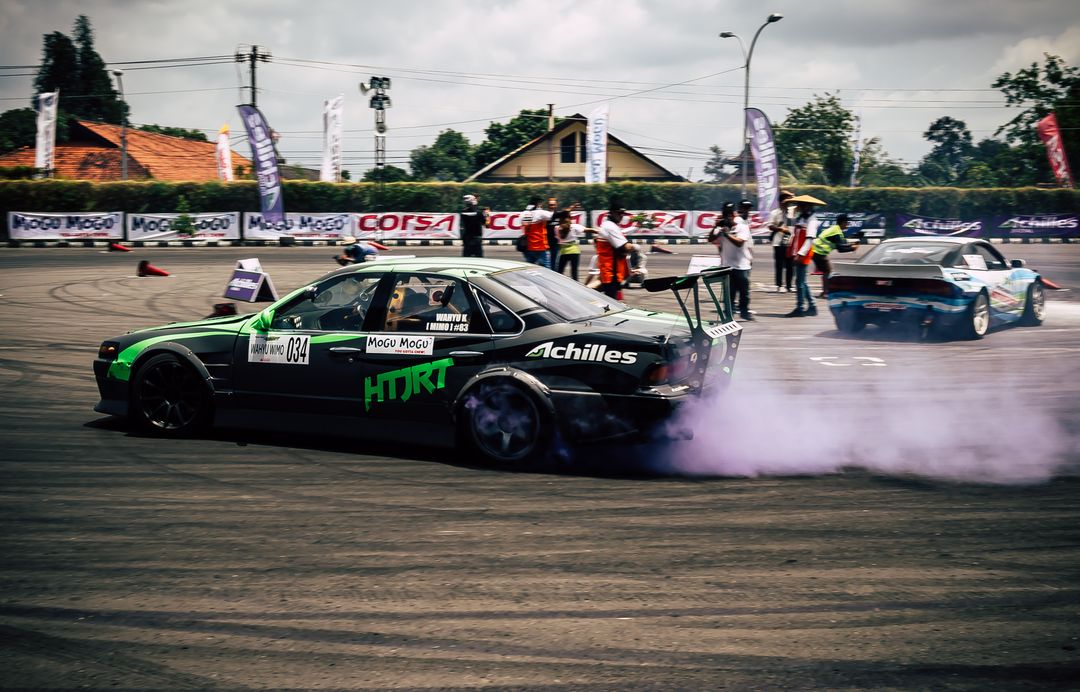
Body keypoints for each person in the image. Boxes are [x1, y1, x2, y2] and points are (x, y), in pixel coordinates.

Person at [784, 195, 826, 317]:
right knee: (802, 281)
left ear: (808, 206)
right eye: (799, 205)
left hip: (804, 253)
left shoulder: (812, 220)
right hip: (798, 252)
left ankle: (800, 308)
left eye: (802, 205)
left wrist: (800, 254)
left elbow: (809, 240)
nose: (800, 207)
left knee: (800, 282)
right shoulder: (801, 218)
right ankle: (812, 306)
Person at [712, 202, 753, 321]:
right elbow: (710, 238)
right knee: (728, 293)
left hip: (742, 265)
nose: (728, 217)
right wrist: (715, 227)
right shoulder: (721, 227)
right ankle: (728, 315)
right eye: (725, 214)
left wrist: (727, 234)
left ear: (734, 214)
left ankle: (744, 312)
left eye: (730, 214)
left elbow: (740, 243)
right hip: (727, 266)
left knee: (744, 293)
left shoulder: (742, 226)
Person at [811, 213, 860, 298]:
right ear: (843, 223)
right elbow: (840, 249)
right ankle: (825, 293)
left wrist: (851, 245)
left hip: (817, 251)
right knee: (827, 271)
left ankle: (825, 292)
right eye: (847, 223)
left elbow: (842, 243)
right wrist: (852, 248)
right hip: (818, 252)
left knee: (827, 271)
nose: (848, 225)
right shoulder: (836, 232)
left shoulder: (836, 230)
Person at [595, 204, 633, 299]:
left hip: (611, 271)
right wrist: (634, 247)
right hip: (611, 272)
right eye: (619, 213)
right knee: (612, 303)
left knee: (611, 300)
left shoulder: (610, 225)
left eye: (623, 213)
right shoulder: (610, 226)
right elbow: (626, 247)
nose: (621, 215)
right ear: (612, 212)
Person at [767, 190, 795, 293]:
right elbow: (770, 226)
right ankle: (779, 285)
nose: (788, 202)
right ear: (781, 201)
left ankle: (789, 285)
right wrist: (781, 229)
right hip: (778, 242)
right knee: (779, 265)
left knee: (790, 265)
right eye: (786, 200)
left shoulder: (792, 212)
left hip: (790, 242)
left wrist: (791, 196)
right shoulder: (774, 212)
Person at [519, 197, 553, 268]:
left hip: (528, 246)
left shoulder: (523, 214)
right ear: (538, 204)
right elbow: (552, 216)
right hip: (540, 246)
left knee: (529, 269)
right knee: (547, 269)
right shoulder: (540, 213)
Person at [553, 210, 587, 281]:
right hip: (575, 251)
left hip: (564, 252)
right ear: (569, 218)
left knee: (560, 272)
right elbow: (588, 230)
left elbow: (558, 238)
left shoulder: (556, 228)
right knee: (574, 273)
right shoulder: (574, 227)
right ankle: (577, 288)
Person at [459, 193, 489, 258]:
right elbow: (487, 225)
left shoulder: (463, 213)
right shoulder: (479, 213)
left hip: (467, 239)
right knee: (479, 259)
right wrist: (487, 214)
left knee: (466, 259)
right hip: (477, 238)